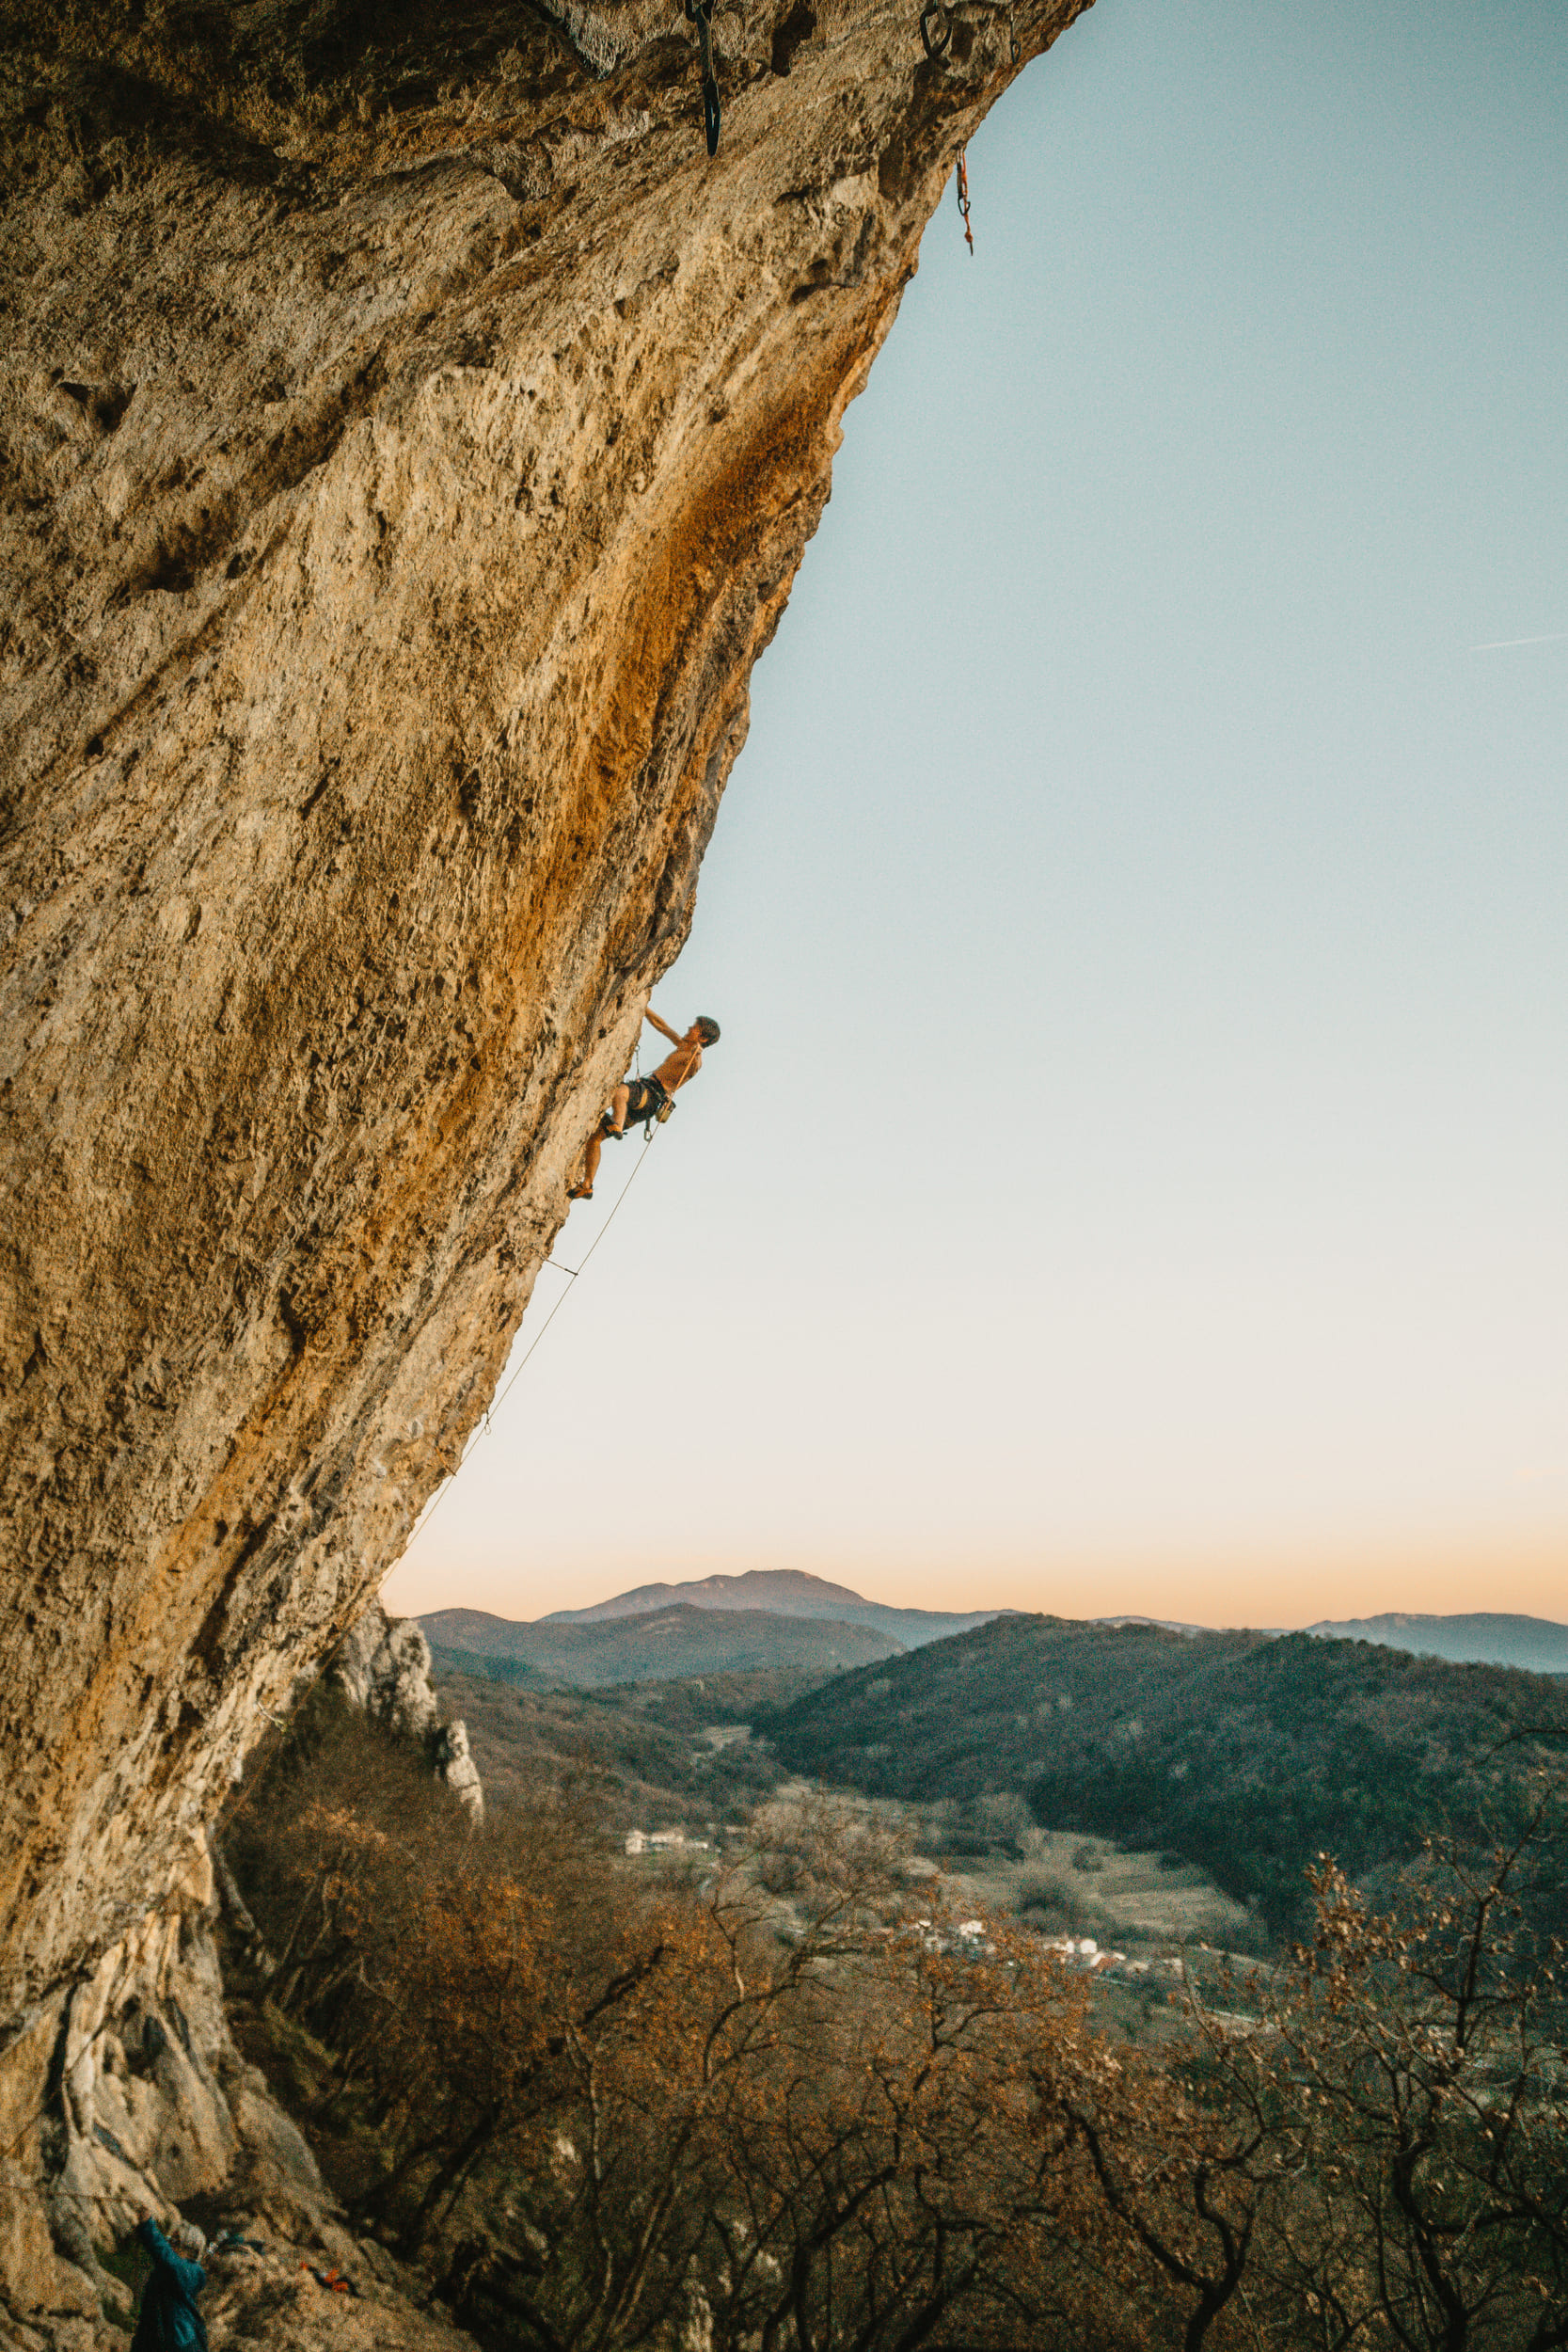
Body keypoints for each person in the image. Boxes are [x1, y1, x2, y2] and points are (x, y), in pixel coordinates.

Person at [569, 1009, 720, 1200]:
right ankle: (587, 1185)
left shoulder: (695, 1059)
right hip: (646, 1106)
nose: (689, 1028)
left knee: (620, 1091)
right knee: (595, 1139)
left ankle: (617, 1122)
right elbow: (662, 1026)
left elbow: (693, 1068)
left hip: (651, 1094)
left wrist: (697, 1054)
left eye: (694, 1028)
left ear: (703, 1038)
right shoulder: (683, 1046)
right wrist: (644, 1007)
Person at [132, 2211, 208, 2351]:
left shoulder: (190, 2272)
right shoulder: (171, 2270)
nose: (169, 2245)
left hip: (180, 2345)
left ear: (190, 2249)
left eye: (175, 2241)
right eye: (169, 2240)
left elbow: (167, 2259)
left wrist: (148, 2228)